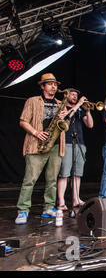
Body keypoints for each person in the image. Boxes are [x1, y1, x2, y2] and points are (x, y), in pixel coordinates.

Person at [15, 73, 69, 225]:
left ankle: (49, 207)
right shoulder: (32, 101)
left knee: (52, 180)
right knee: (29, 180)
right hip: (36, 144)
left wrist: (64, 118)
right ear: (42, 86)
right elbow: (23, 121)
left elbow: (65, 127)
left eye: (55, 84)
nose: (54, 86)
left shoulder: (60, 104)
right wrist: (36, 133)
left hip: (56, 146)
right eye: (50, 84)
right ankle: (23, 210)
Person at [56, 88, 94, 210]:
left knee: (77, 174)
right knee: (64, 174)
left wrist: (87, 111)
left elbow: (90, 125)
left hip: (79, 143)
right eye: (72, 94)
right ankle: (61, 201)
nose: (74, 96)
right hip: (66, 142)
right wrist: (78, 105)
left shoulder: (79, 111)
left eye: (76, 95)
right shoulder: (62, 108)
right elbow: (65, 119)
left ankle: (75, 199)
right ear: (66, 96)